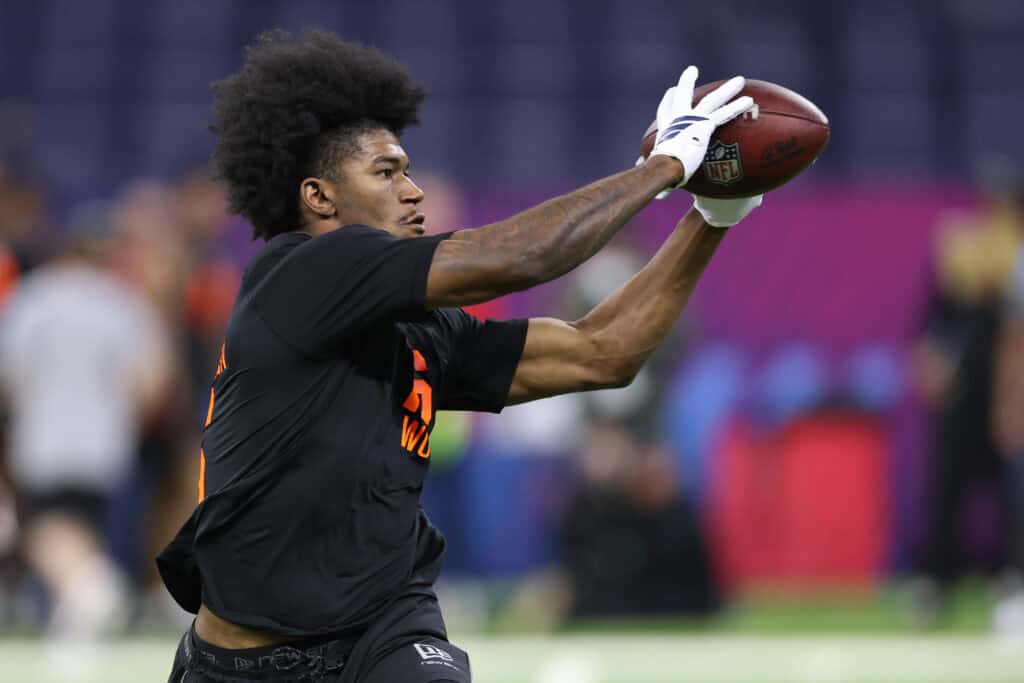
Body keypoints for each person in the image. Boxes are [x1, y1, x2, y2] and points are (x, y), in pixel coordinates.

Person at [158, 29, 762, 683]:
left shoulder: (422, 327)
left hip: (383, 628)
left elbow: (601, 353)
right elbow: (520, 257)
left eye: (408, 170)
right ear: (319, 197)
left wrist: (711, 216)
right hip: (247, 660)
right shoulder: (300, 273)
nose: (412, 190)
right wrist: (664, 167)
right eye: (387, 172)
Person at [0, 205, 171, 637]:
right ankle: (76, 616)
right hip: (104, 439)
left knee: (43, 526)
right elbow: (152, 381)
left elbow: (11, 375)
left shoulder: (33, 296)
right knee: (80, 524)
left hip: (44, 435)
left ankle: (89, 585)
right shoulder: (124, 301)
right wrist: (124, 421)